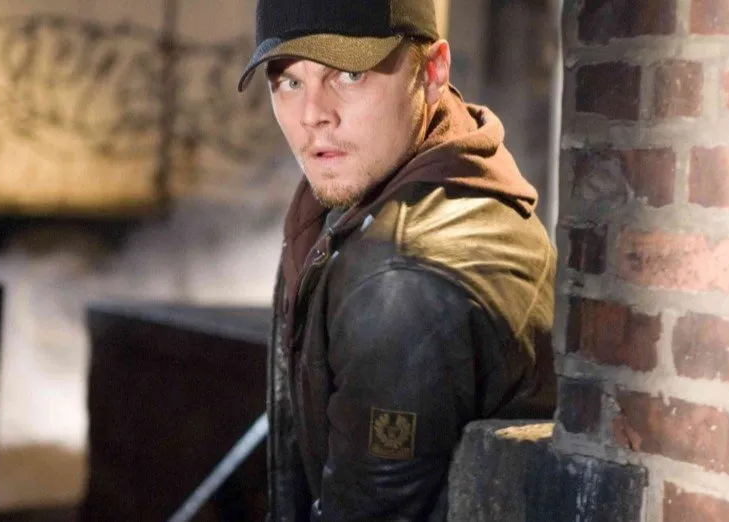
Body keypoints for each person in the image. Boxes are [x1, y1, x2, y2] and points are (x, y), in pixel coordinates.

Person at [238, 0, 557, 520]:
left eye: (349, 74)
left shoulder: (403, 280)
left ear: (432, 73)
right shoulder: (359, 197)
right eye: (289, 82)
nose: (313, 114)